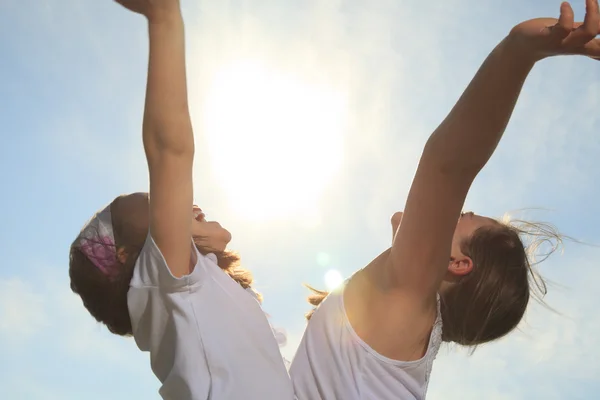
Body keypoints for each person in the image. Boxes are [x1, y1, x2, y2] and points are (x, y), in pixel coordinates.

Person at [289, 1, 600, 399]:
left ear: (456, 263)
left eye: (462, 216)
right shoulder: (402, 341)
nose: (445, 215)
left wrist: (520, 48)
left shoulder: (409, 299)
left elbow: (447, 166)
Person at [68, 1, 294, 399]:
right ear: (127, 255)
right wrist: (164, 16)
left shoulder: (196, 289)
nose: (183, 201)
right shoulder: (164, 279)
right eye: (156, 199)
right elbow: (169, 150)